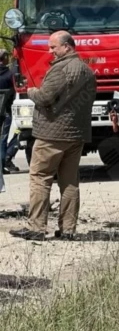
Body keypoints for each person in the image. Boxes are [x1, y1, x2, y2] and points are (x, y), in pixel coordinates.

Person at [10, 31, 96, 241]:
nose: (50, 51)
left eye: (53, 47)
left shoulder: (61, 70)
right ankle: (68, 230)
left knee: (40, 178)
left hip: (51, 133)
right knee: (69, 182)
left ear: (67, 46)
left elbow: (44, 97)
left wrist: (30, 91)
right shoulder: (87, 71)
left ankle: (36, 228)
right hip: (76, 135)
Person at [0, 49, 18, 174]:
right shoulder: (10, 74)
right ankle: (3, 163)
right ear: (5, 58)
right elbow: (15, 90)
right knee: (4, 137)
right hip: (6, 111)